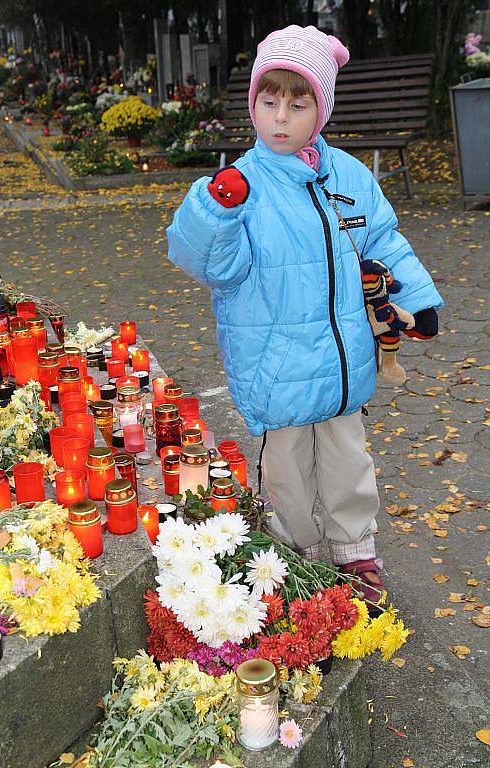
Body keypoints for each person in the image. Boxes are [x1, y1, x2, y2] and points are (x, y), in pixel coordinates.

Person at [166, 25, 443, 610]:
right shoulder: (242, 183)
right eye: (270, 102)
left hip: (343, 364)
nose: (281, 117)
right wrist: (215, 208)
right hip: (277, 364)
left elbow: (384, 241)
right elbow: (207, 263)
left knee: (347, 462)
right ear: (255, 105)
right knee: (287, 469)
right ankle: (294, 556)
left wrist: (416, 302)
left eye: (298, 102)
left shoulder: (348, 177)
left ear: (322, 108)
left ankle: (354, 552)